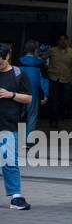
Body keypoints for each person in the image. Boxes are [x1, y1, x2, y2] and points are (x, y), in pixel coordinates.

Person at [0, 43, 33, 211]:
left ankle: (15, 197)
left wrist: (10, 94)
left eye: (0, 62)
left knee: (9, 162)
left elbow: (28, 98)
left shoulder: (19, 74)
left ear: (8, 56)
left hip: (8, 124)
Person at [15, 41, 46, 146]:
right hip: (34, 93)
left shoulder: (18, 62)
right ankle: (28, 142)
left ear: (25, 49)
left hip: (19, 92)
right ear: (36, 50)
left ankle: (18, 140)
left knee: (19, 116)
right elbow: (44, 80)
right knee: (32, 116)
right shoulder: (40, 63)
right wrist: (46, 95)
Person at [45, 33, 72, 127]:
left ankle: (60, 114)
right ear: (57, 41)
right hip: (53, 78)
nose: (63, 42)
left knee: (65, 99)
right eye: (61, 39)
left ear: (67, 41)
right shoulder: (52, 50)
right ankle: (54, 120)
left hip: (66, 79)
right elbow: (43, 59)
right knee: (54, 99)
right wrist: (47, 68)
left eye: (65, 40)